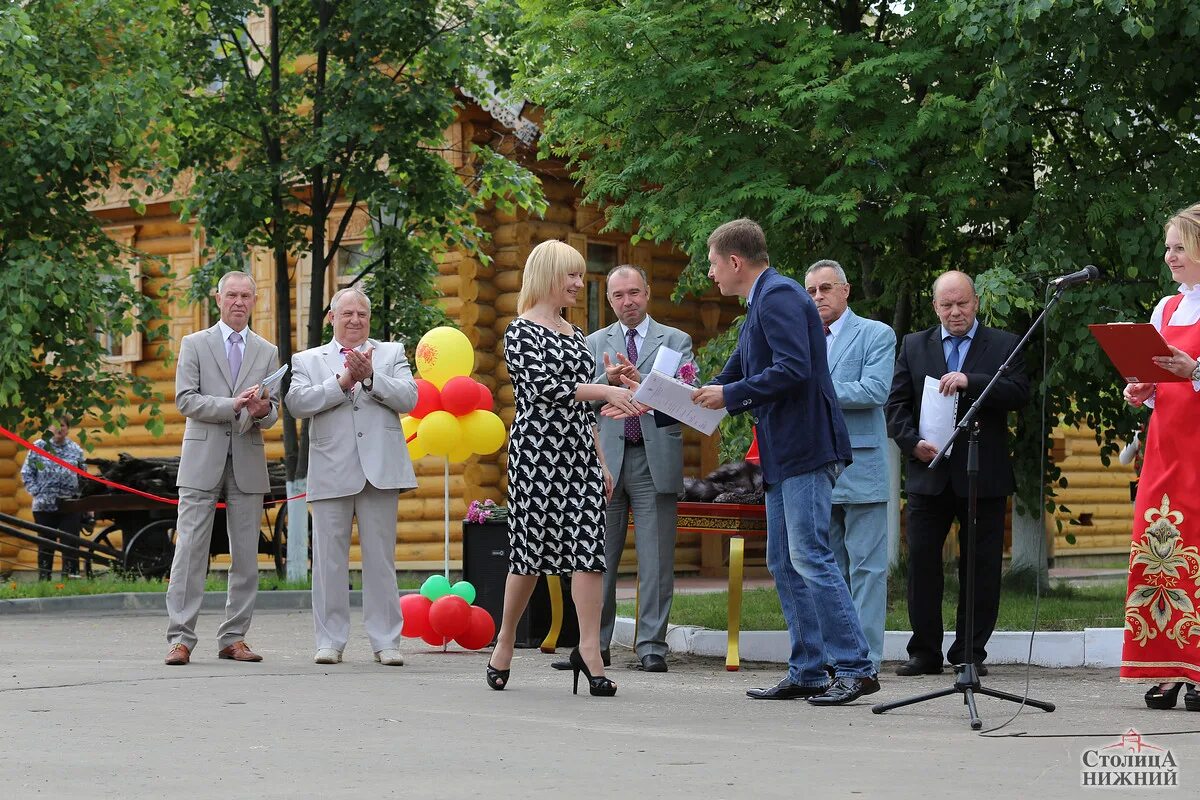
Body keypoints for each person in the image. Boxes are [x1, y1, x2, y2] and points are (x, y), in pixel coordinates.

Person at [692, 219, 877, 706]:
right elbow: (733, 371)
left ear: (735, 262)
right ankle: (809, 670)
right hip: (782, 452)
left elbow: (792, 369)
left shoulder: (778, 297)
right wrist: (668, 397)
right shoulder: (761, 303)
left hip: (805, 448)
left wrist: (729, 394)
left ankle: (856, 667)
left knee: (810, 557)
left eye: (713, 264)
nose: (711, 274)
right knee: (782, 560)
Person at [488, 240, 642, 697]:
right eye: (571, 276)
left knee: (589, 553)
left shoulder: (575, 335)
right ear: (548, 277)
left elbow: (582, 403)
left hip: (580, 452)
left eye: (580, 275)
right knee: (529, 556)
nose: (579, 284)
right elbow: (544, 390)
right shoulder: (520, 331)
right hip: (537, 453)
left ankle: (589, 650)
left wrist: (601, 457)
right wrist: (605, 391)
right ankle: (505, 639)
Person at [885, 270, 1030, 678]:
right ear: (935, 307)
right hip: (928, 473)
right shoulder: (914, 345)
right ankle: (924, 651)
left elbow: (1019, 392)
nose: (955, 312)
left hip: (983, 475)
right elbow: (896, 404)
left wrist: (971, 381)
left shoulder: (1002, 344)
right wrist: (911, 442)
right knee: (923, 565)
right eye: (946, 305)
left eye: (962, 303)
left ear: (976, 302)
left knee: (980, 568)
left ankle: (969, 652)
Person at [553, 265, 693, 673]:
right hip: (604, 462)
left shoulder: (676, 340)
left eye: (634, 293)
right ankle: (593, 645)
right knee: (598, 558)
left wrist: (642, 383)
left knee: (655, 559)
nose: (627, 301)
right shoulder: (594, 342)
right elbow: (576, 398)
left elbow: (687, 398)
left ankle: (651, 646)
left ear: (647, 293)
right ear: (610, 300)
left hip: (655, 461)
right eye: (618, 296)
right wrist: (607, 379)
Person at [286, 286, 417, 667]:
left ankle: (386, 641)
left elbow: (410, 398)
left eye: (361, 313)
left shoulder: (391, 353)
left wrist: (372, 377)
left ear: (369, 319)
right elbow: (297, 403)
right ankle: (329, 640)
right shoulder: (308, 360)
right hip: (330, 470)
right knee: (328, 562)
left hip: (380, 470)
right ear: (331, 318)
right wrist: (342, 382)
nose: (355, 320)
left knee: (380, 560)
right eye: (347, 314)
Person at [165, 271, 280, 666]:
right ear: (218, 299)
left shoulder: (267, 350)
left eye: (246, 295)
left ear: (254, 300)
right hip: (201, 461)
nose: (239, 302)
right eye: (232, 295)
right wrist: (231, 403)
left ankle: (234, 637)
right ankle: (180, 638)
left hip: (247, 460)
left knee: (246, 556)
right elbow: (185, 400)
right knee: (190, 552)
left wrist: (263, 410)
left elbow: (273, 411)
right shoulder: (194, 343)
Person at [1121, 203, 1200, 710]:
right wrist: (1141, 389)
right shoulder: (1165, 310)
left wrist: (1194, 370)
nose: (1169, 256)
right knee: (1160, 548)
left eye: (1178, 247)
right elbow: (1157, 384)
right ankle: (1167, 667)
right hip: (1166, 446)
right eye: (1168, 247)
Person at [804, 260, 897, 673]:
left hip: (861, 466)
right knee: (827, 570)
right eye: (811, 291)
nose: (818, 297)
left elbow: (875, 390)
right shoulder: (802, 337)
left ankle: (867, 660)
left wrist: (808, 389)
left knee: (867, 570)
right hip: (813, 467)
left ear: (846, 290)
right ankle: (834, 658)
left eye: (825, 288)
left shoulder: (876, 333)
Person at [20, 416, 86, 580]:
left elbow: (83, 476)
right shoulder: (38, 447)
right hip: (44, 506)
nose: (59, 429)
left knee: (70, 544)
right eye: (55, 426)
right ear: (48, 429)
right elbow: (27, 473)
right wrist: (38, 492)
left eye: (62, 425)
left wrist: (81, 498)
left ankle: (71, 579)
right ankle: (44, 578)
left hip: (70, 505)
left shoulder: (75, 449)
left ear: (67, 428)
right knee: (45, 544)